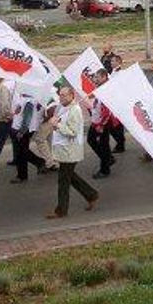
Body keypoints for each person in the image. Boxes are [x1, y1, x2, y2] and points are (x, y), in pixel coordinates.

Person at [47, 85, 98, 218]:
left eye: (64, 95)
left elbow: (72, 132)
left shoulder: (75, 110)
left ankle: (61, 210)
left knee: (63, 181)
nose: (61, 97)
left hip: (70, 151)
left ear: (72, 96)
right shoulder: (61, 107)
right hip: (62, 150)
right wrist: (55, 122)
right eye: (60, 95)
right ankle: (91, 194)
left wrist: (57, 125)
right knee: (71, 177)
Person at [9, 85, 48, 184]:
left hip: (23, 131)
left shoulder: (28, 102)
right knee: (23, 151)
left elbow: (27, 118)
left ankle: (22, 175)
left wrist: (21, 132)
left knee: (21, 153)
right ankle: (39, 163)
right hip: (20, 128)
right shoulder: (25, 99)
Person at [87, 70, 114, 179]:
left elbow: (107, 110)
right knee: (99, 143)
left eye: (97, 77)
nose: (95, 79)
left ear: (104, 77)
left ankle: (105, 169)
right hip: (97, 121)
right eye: (95, 77)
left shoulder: (106, 90)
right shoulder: (101, 88)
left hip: (102, 123)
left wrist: (101, 125)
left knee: (102, 145)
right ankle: (108, 160)